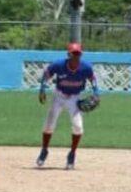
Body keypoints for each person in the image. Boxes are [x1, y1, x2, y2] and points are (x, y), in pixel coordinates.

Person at [37, 42, 99, 170]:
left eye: (78, 54)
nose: (76, 56)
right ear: (68, 54)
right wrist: (42, 89)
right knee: (49, 125)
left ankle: (72, 154)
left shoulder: (85, 67)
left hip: (74, 98)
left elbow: (93, 79)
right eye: (74, 53)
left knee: (78, 127)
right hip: (59, 96)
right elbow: (47, 73)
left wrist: (96, 92)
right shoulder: (59, 65)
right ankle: (44, 150)